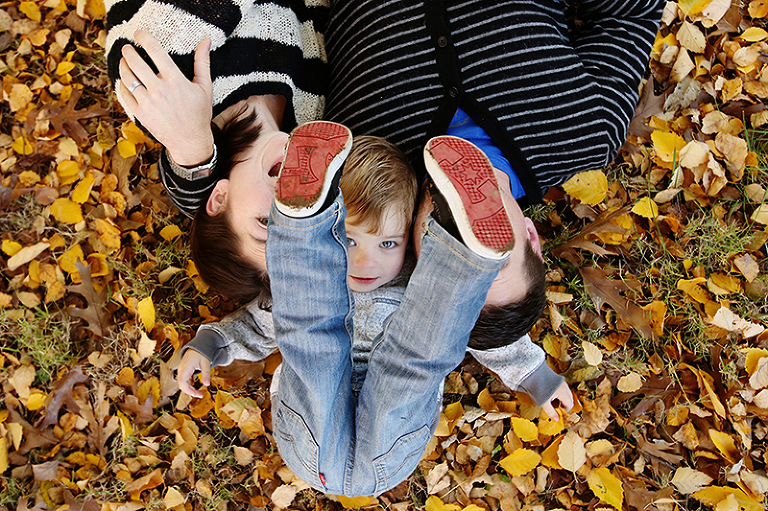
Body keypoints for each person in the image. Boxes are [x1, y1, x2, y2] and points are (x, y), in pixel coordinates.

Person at [201, 120, 570, 496]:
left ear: (408, 236)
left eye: (388, 244)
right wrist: (210, 345)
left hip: (311, 442)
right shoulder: (417, 287)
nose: (366, 262)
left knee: (312, 338)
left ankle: (302, 226)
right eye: (349, 241)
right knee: (417, 354)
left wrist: (536, 376)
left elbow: (482, 329)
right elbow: (253, 325)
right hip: (389, 451)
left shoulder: (415, 277)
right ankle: (462, 251)